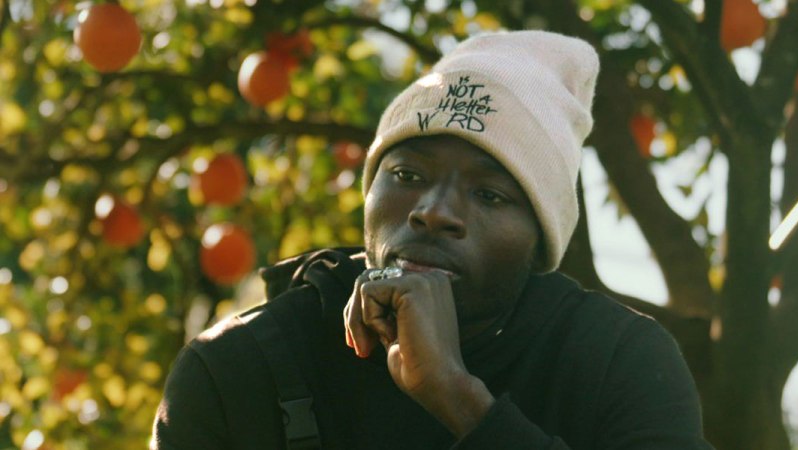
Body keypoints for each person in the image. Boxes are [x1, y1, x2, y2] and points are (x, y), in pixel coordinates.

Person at [151, 30, 714, 449]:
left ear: (539, 244)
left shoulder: (620, 363)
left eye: (491, 195)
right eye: (408, 175)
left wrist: (459, 397)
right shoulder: (235, 367)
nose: (434, 212)